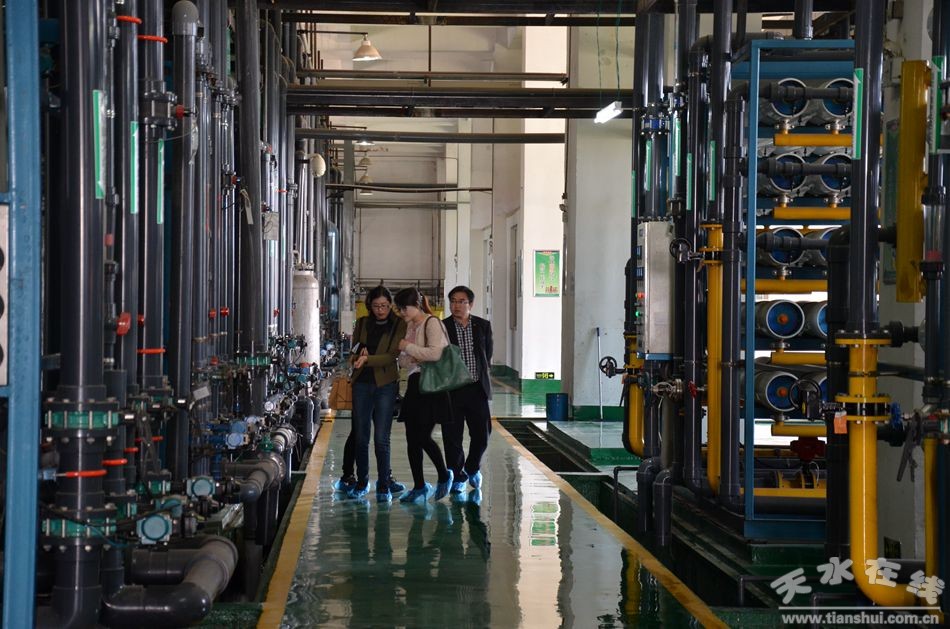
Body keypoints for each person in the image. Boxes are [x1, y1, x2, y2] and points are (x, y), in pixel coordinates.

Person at [333, 286, 408, 501]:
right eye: (376, 306)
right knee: (361, 436)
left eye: (384, 306)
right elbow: (353, 350)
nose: (380, 310)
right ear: (369, 306)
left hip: (385, 384)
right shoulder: (363, 322)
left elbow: (391, 356)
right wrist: (357, 355)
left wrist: (367, 359)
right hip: (361, 384)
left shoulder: (398, 324)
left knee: (381, 438)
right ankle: (362, 482)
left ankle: (384, 485)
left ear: (390, 305)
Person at [394, 287, 454, 502]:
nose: (402, 312)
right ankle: (419, 486)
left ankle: (444, 475)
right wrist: (411, 354)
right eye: (399, 309)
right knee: (412, 439)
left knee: (422, 436)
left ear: (417, 305)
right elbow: (403, 360)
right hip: (414, 384)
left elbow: (436, 353)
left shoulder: (432, 323)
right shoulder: (410, 326)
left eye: (405, 308)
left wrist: (409, 348)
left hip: (432, 386)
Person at [441, 286, 493, 493]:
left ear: (470, 304)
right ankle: (457, 475)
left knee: (482, 433)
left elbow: (486, 354)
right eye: (453, 301)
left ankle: (472, 467)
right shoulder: (443, 327)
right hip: (452, 389)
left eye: (461, 301)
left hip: (476, 388)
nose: (456, 305)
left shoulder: (483, 325)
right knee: (452, 436)